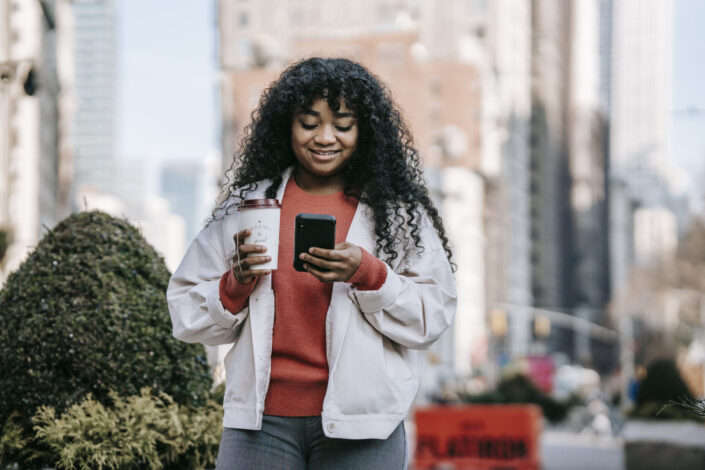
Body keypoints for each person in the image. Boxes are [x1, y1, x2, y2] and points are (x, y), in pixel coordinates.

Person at [167, 57, 457, 470]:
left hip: (364, 428)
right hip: (260, 426)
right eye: (309, 123)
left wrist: (368, 274)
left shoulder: (395, 213)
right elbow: (184, 312)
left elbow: (433, 316)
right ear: (286, 126)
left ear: (364, 131)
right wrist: (236, 283)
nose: (325, 137)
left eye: (342, 125)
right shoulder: (246, 206)